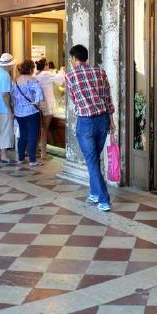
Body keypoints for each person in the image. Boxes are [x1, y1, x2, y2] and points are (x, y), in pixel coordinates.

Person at [65, 44, 115, 212]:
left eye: (71, 58)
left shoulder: (70, 76)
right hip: (103, 120)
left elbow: (74, 99)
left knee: (92, 161)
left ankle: (104, 199)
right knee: (94, 159)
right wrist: (111, 120)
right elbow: (108, 97)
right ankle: (94, 192)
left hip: (86, 122)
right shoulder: (100, 72)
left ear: (74, 58)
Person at [13, 59, 44, 166]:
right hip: (31, 111)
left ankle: (21, 158)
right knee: (32, 135)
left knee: (23, 135)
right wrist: (39, 104)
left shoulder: (16, 80)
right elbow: (39, 95)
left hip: (18, 112)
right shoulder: (32, 80)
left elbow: (14, 96)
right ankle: (32, 160)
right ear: (31, 69)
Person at [35, 58, 65, 159]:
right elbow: (60, 81)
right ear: (45, 66)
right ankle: (44, 153)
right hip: (47, 104)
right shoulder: (46, 74)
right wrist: (62, 70)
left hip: (39, 104)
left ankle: (36, 151)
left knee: (39, 129)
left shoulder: (36, 74)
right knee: (44, 129)